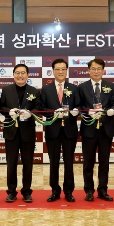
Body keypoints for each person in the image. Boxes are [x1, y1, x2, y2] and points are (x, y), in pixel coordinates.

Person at [0, 63, 41, 203]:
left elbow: (39, 108)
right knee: (11, 164)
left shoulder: (34, 91)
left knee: (28, 164)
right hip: (11, 132)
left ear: (28, 75)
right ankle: (11, 192)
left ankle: (27, 192)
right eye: (17, 73)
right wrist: (8, 112)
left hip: (27, 132)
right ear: (13, 75)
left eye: (23, 73)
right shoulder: (6, 90)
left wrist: (31, 113)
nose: (20, 75)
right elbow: (0, 107)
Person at [77, 58, 114, 202]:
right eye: (93, 69)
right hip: (89, 129)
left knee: (104, 162)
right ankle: (89, 190)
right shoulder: (82, 87)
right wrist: (87, 111)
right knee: (88, 163)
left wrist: (112, 111)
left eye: (99, 69)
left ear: (103, 71)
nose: (96, 71)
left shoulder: (111, 86)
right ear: (88, 71)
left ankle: (103, 190)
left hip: (106, 129)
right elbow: (78, 106)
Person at [40, 58, 80, 202]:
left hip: (69, 130)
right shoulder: (46, 89)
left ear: (67, 71)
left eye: (63, 69)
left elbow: (79, 106)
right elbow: (42, 109)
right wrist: (53, 113)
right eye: (58, 69)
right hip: (53, 130)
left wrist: (75, 111)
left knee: (69, 162)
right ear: (53, 71)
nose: (61, 71)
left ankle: (69, 191)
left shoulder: (74, 88)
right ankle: (55, 191)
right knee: (54, 162)